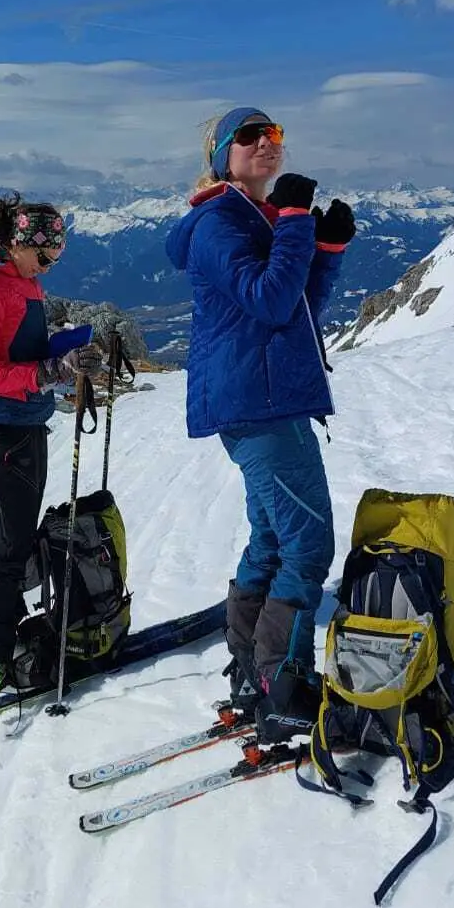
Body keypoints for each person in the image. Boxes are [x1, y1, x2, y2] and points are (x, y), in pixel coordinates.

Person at [164, 107, 356, 742]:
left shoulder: (256, 217)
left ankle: (252, 672)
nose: (267, 145)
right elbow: (269, 298)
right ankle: (282, 682)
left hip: (266, 397)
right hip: (260, 403)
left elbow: (297, 306)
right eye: (250, 137)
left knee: (273, 542)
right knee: (308, 545)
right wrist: (299, 223)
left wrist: (324, 250)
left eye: (274, 135)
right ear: (223, 155)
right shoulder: (218, 223)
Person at [0, 194, 104, 697]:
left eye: (57, 254)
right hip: (2, 426)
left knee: (21, 538)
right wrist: (48, 371)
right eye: (45, 252)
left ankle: (9, 643)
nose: (51, 263)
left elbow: (22, 348)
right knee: (10, 546)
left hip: (27, 421)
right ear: (17, 241)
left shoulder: (21, 279)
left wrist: (65, 352)